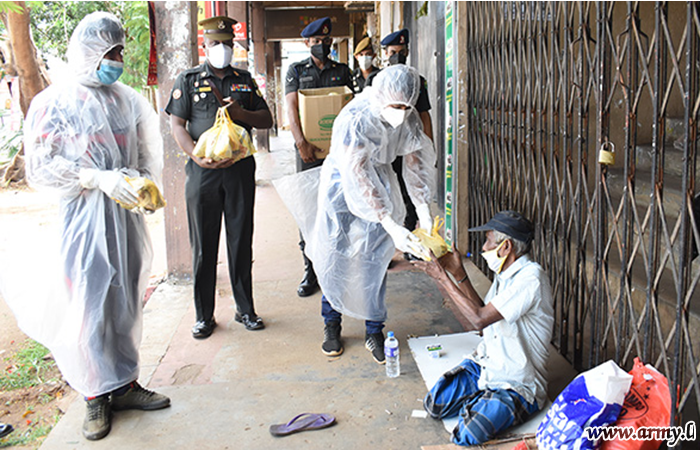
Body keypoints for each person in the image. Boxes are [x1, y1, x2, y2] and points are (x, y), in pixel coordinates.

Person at [21, 12, 169, 441]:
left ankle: (123, 384)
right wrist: (93, 177)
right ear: (89, 54)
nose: (119, 59)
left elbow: (144, 153)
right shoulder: (54, 102)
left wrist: (143, 186)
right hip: (84, 218)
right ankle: (94, 396)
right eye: (112, 52)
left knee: (125, 301)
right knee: (90, 304)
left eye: (120, 51)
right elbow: (42, 167)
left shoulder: (127, 100)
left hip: (123, 216)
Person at [305, 65, 436, 363]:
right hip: (342, 187)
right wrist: (389, 221)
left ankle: (374, 329)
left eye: (407, 106)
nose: (401, 112)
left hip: (382, 180)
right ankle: (332, 324)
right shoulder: (356, 118)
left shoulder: (408, 116)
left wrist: (423, 209)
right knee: (333, 253)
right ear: (379, 96)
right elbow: (358, 175)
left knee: (374, 257)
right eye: (396, 106)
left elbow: (417, 162)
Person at [167, 16, 273, 339]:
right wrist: (194, 155)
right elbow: (177, 125)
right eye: (215, 44)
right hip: (203, 175)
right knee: (204, 245)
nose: (222, 49)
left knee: (241, 241)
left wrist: (242, 114)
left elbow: (266, 118)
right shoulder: (187, 80)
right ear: (205, 46)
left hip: (239, 171)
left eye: (227, 44)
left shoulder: (244, 80)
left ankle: (245, 309)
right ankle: (204, 316)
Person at [412, 211, 554, 446]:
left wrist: (442, 278)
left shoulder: (530, 279)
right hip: (488, 365)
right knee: (435, 404)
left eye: (488, 240)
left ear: (506, 246)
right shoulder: (505, 275)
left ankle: (488, 400)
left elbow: (478, 319)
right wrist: (457, 274)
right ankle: (483, 397)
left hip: (517, 382)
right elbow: (479, 318)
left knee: (467, 433)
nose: (484, 247)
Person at [284, 17, 354, 298]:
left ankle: (338, 269)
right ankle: (311, 271)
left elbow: (353, 107)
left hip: (339, 154)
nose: (323, 46)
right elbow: (291, 107)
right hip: (308, 151)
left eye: (326, 41)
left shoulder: (343, 71)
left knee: (340, 208)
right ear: (306, 44)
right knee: (310, 212)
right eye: (317, 42)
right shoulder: (296, 70)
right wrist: (300, 141)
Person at [367, 28, 433, 233]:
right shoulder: (376, 79)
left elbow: (424, 115)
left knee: (410, 189)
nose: (397, 56)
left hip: (408, 146)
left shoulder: (416, 80)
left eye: (402, 51)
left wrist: (428, 147)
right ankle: (387, 235)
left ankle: (411, 231)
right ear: (385, 53)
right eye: (393, 51)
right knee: (384, 189)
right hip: (384, 145)